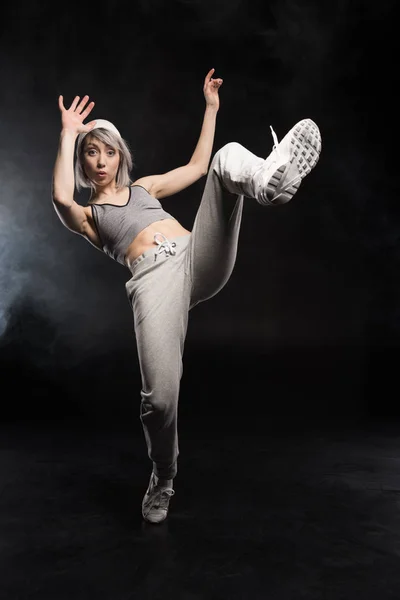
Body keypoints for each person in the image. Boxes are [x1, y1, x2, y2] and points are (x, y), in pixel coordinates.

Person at [52, 68, 322, 524]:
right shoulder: (89, 215)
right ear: (83, 163)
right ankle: (163, 475)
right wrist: (67, 135)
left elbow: (198, 168)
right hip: (153, 281)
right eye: (91, 153)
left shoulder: (145, 188)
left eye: (108, 152)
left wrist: (211, 107)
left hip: (194, 256)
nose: (100, 160)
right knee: (157, 399)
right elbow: (61, 197)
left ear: (121, 158)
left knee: (224, 159)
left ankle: (268, 183)